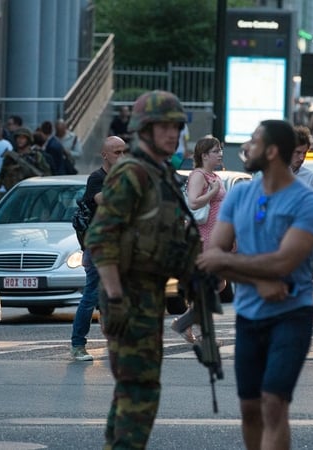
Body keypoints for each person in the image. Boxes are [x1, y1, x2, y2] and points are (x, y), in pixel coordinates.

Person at [197, 119, 313, 450]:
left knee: (273, 402)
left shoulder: (309, 202)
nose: (246, 148)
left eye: (253, 142)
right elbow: (213, 255)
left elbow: (285, 262)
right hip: (249, 312)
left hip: (292, 313)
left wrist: (232, 263)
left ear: (271, 152)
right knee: (250, 408)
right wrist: (259, 279)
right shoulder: (239, 193)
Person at [84, 90, 202, 449]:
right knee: (140, 389)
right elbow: (100, 237)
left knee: (132, 389)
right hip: (128, 294)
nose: (172, 133)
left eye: (176, 126)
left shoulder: (160, 173)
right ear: (144, 130)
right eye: (163, 126)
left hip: (149, 294)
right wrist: (115, 297)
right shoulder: (131, 173)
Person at [70, 136, 128, 362]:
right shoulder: (97, 178)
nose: (122, 157)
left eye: (124, 152)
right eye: (117, 152)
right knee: (91, 294)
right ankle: (78, 344)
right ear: (105, 155)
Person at [170, 136, 227, 343]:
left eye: (220, 150)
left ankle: (184, 323)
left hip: (218, 237)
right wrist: (211, 193)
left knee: (218, 283)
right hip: (204, 237)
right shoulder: (198, 175)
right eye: (216, 151)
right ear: (204, 155)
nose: (220, 153)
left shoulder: (214, 176)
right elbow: (193, 203)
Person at [0, 127, 51, 192]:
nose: (20, 140)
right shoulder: (10, 157)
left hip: (31, 191)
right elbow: (1, 174)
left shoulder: (36, 156)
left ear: (28, 140)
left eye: (23, 138)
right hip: (13, 192)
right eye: (18, 137)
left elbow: (47, 174)